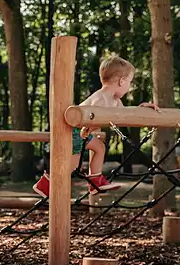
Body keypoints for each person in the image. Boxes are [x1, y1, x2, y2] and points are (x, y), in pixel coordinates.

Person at [33, 54, 159, 197]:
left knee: (99, 147)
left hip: (82, 133)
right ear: (121, 81)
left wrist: (142, 108)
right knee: (73, 165)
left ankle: (95, 181)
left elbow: (126, 114)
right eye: (130, 82)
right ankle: (45, 184)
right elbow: (90, 115)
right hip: (73, 131)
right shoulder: (101, 97)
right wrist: (87, 128)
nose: (129, 87)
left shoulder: (115, 100)